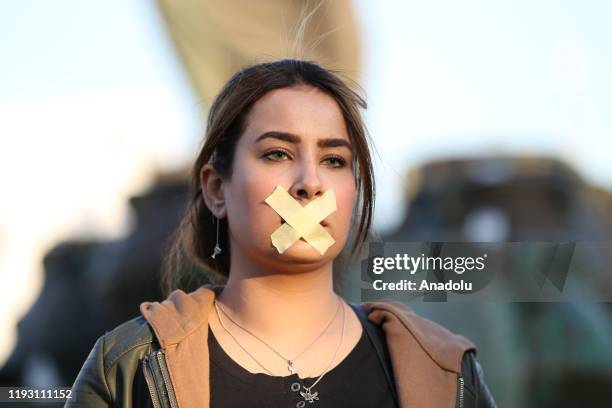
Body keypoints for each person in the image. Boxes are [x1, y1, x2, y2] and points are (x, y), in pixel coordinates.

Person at [66, 59, 496, 408]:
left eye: (334, 160)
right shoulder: (129, 365)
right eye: (277, 153)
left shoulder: (443, 369)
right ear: (216, 188)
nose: (310, 183)